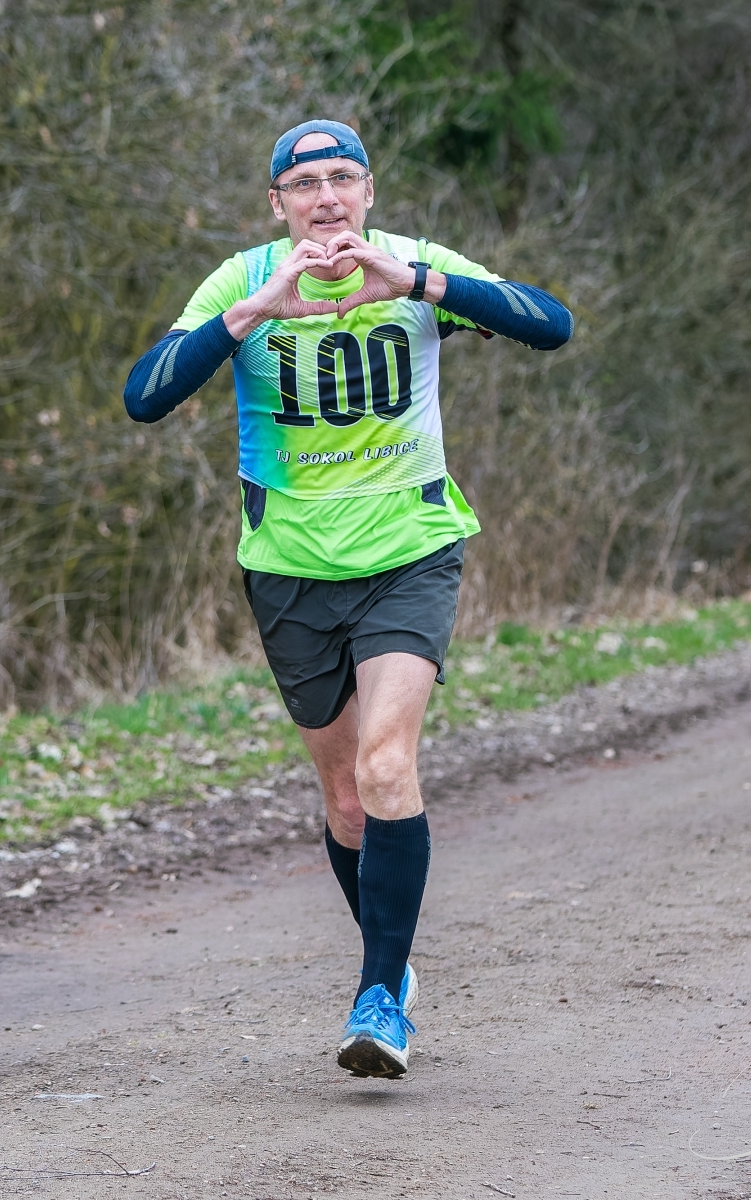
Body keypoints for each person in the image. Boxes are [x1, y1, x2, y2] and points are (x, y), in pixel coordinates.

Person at [122, 120, 570, 1079]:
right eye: (305, 184)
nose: (327, 199)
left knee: (385, 763)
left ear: (369, 191)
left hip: (411, 550)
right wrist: (256, 313)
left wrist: (417, 287)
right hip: (288, 564)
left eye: (343, 179)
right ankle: (393, 967)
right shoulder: (242, 281)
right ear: (276, 204)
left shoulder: (413, 265)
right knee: (344, 801)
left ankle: (377, 996)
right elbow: (144, 397)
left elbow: (550, 321)